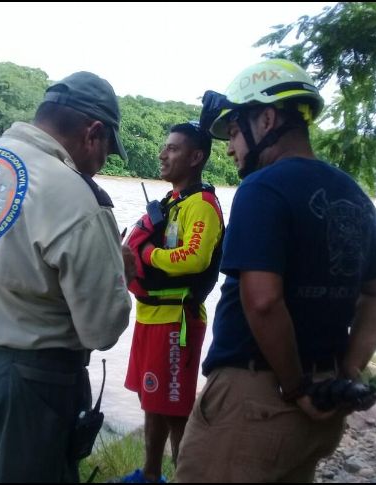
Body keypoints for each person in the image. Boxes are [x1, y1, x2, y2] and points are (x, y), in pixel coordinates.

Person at [175, 59, 376, 483]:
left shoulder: (263, 188)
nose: (229, 147)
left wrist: (296, 388)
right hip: (322, 397)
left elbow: (261, 300)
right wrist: (349, 370)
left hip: (257, 397)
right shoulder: (352, 193)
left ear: (268, 118)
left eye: (235, 131)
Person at [0, 71, 134, 483]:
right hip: (35, 382)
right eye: (106, 151)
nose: (99, 165)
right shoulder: (76, 197)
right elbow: (102, 329)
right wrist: (118, 273)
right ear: (94, 133)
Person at [120, 122, 224, 483]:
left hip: (177, 321)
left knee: (175, 410)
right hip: (150, 316)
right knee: (152, 400)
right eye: (164, 147)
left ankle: (185, 477)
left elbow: (194, 258)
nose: (163, 155)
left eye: (173, 149)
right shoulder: (171, 203)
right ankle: (150, 475)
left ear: (196, 158)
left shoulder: (203, 205)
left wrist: (146, 255)